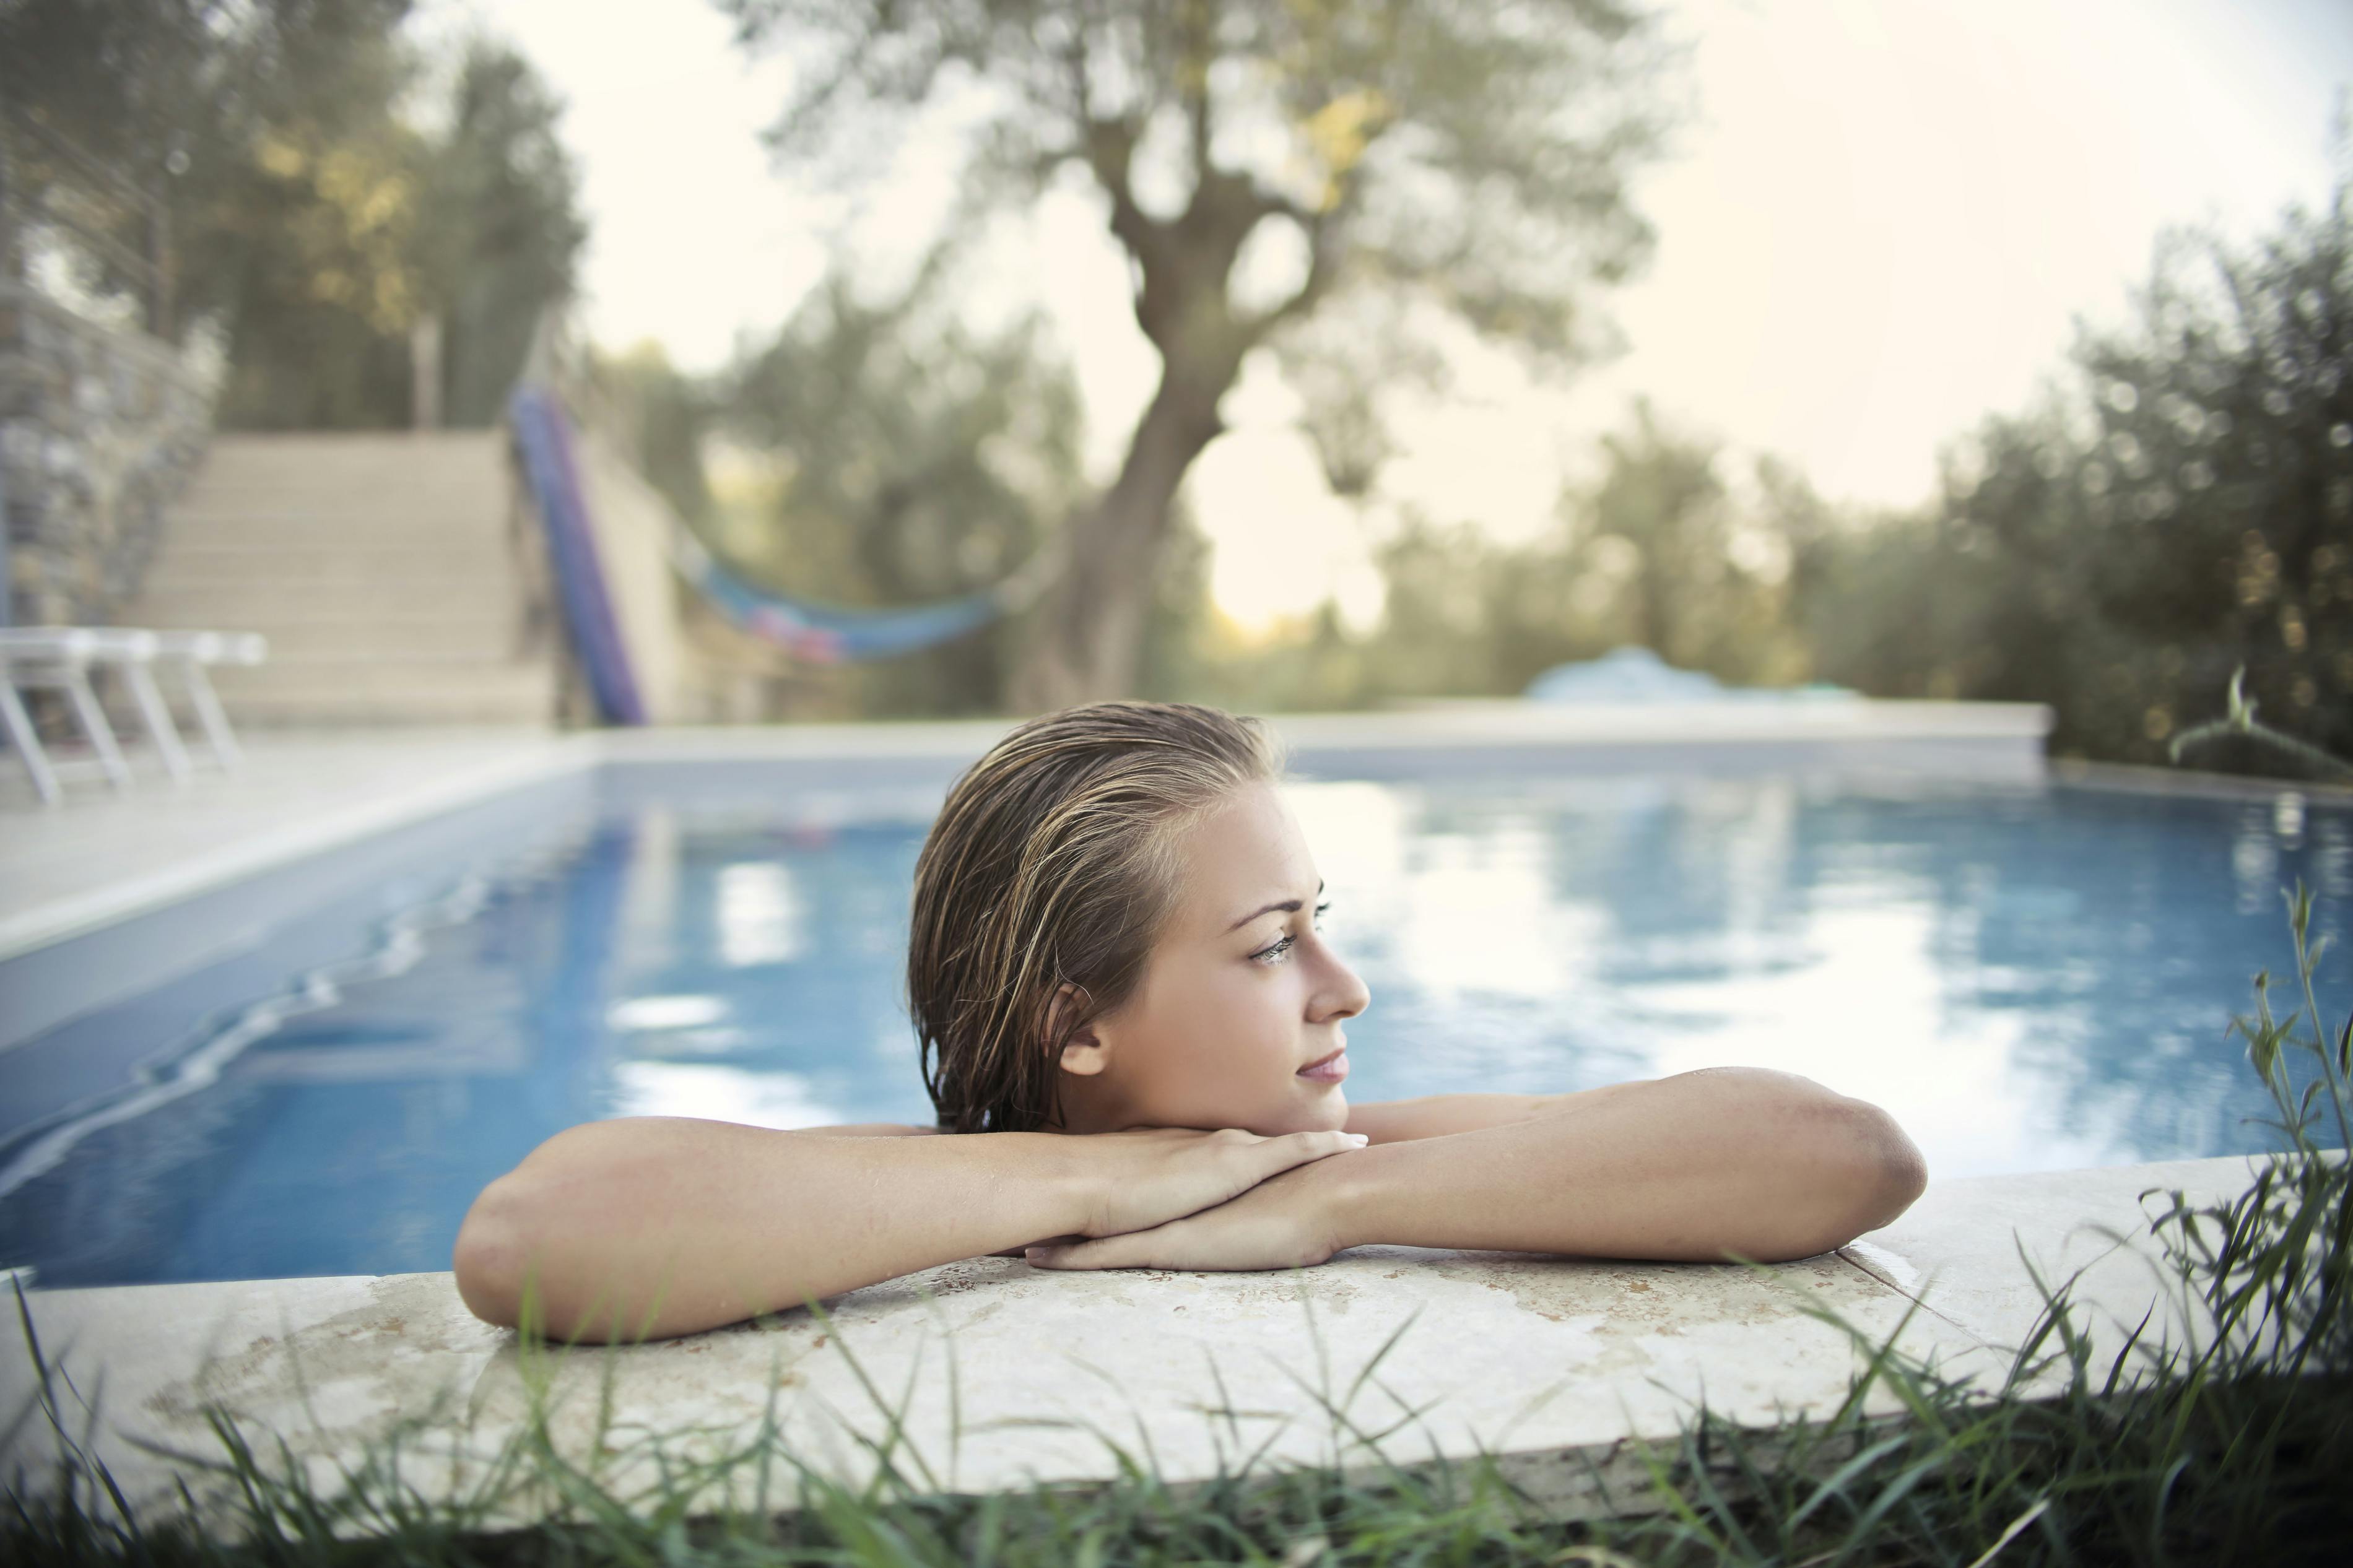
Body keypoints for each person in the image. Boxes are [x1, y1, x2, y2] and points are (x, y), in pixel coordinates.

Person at [454, 701, 1927, 1342]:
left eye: (1317, 926)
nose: (1342, 989)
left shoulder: (1344, 1155)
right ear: (1076, 1026)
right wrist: (1091, 1180)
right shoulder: (904, 1191)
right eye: (1273, 943)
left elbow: (1843, 1153)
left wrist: (1337, 1201)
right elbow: (527, 1240)